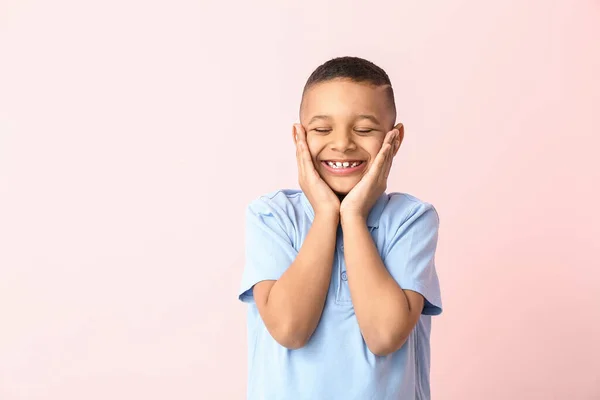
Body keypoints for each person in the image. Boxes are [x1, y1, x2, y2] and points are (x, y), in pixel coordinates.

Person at [238, 56, 443, 400]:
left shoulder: (412, 219)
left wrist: (353, 216)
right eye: (321, 129)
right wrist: (324, 214)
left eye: (364, 130)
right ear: (299, 136)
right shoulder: (272, 215)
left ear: (395, 138)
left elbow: (384, 335)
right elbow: (289, 329)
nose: (343, 143)